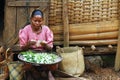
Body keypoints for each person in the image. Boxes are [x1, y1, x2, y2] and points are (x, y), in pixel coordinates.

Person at [19, 9, 55, 80]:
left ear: (43, 20)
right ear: (31, 19)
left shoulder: (46, 30)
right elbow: (22, 48)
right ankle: (30, 72)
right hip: (30, 53)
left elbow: (50, 48)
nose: (37, 23)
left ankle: (48, 72)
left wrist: (45, 45)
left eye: (40, 21)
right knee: (27, 64)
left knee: (53, 63)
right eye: (35, 20)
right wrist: (28, 44)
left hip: (43, 53)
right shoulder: (26, 29)